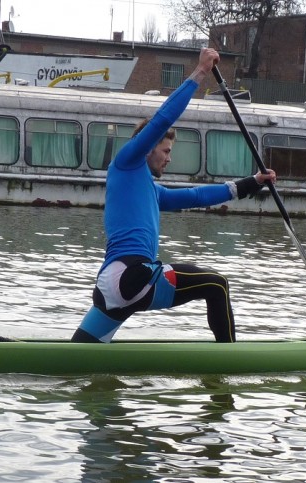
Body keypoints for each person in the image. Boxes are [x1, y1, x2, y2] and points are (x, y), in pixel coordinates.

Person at [71, 47, 276, 344]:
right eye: (166, 151)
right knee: (217, 285)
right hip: (135, 275)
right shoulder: (126, 163)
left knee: (74, 356)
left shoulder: (151, 191)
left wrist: (252, 182)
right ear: (150, 146)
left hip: (112, 285)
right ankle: (231, 362)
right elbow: (162, 119)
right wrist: (201, 72)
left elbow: (196, 196)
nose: (169, 159)